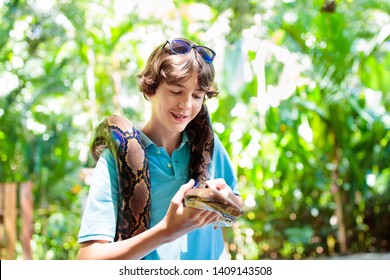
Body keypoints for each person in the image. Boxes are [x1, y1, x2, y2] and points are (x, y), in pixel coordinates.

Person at [77, 38, 243, 260]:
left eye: (197, 96)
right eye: (176, 91)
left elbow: (236, 207)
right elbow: (87, 261)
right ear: (151, 88)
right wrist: (167, 231)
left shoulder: (211, 146)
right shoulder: (114, 160)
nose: (186, 105)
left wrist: (226, 199)